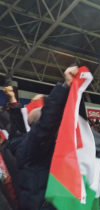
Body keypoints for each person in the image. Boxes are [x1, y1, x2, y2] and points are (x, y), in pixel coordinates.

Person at [10, 65, 79, 209]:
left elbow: (16, 130)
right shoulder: (35, 143)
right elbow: (46, 123)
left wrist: (14, 105)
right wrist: (64, 86)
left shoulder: (22, 144)